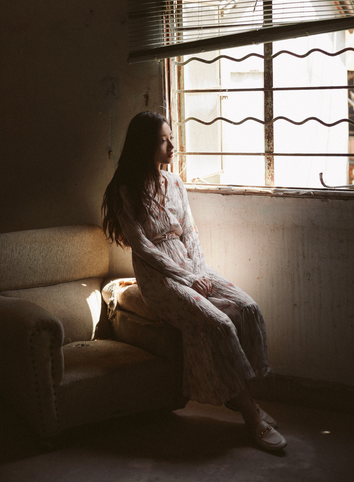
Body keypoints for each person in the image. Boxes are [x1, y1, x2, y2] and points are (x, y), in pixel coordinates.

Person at [102, 111, 287, 451]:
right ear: (144, 145)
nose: (172, 146)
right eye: (163, 140)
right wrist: (187, 279)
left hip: (190, 264)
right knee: (218, 324)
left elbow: (190, 232)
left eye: (171, 138)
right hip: (157, 277)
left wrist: (199, 272)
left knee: (247, 308)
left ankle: (239, 396)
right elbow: (142, 247)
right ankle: (252, 417)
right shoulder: (124, 190)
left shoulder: (175, 183)